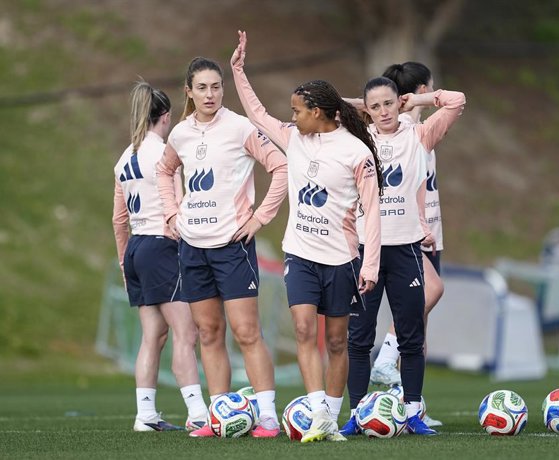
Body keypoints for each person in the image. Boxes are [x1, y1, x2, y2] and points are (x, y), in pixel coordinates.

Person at [230, 30, 382, 443]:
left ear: (318, 112)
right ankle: (319, 413)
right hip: (299, 254)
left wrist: (370, 265)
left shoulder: (357, 154)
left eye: (298, 110)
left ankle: (331, 418)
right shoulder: (294, 138)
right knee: (302, 331)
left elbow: (373, 216)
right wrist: (238, 71)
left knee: (336, 341)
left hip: (342, 259)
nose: (292, 116)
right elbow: (258, 115)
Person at [156, 57, 289, 438]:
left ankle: (266, 417)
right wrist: (171, 214)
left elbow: (280, 166)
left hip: (232, 246)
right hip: (192, 248)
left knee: (247, 332)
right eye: (202, 87)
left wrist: (259, 218)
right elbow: (165, 171)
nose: (210, 94)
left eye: (216, 86)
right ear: (189, 91)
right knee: (209, 333)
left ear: (222, 90)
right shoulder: (180, 133)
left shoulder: (239, 127)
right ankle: (220, 415)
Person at [342, 76, 465, 436]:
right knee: (359, 338)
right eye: (375, 105)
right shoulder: (358, 140)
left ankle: (413, 413)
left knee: (411, 337)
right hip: (366, 252)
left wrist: (422, 101)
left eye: (389, 103)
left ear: (400, 103)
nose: (383, 111)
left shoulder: (419, 136)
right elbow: (332, 107)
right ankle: (355, 414)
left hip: (407, 250)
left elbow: (457, 101)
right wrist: (361, 104)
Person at [112, 80, 208, 432]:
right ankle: (199, 414)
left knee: (153, 335)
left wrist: (125, 263)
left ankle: (145, 415)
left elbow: (118, 220)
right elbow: (178, 207)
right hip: (161, 245)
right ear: (164, 117)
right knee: (186, 333)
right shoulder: (164, 153)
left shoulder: (124, 158)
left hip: (137, 247)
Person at [368, 62, 446, 428]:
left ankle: (414, 406)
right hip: (405, 234)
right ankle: (385, 353)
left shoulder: (417, 131)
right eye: (428, 89)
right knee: (432, 291)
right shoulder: (407, 134)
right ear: (415, 92)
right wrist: (422, 99)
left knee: (420, 327)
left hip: (430, 233)